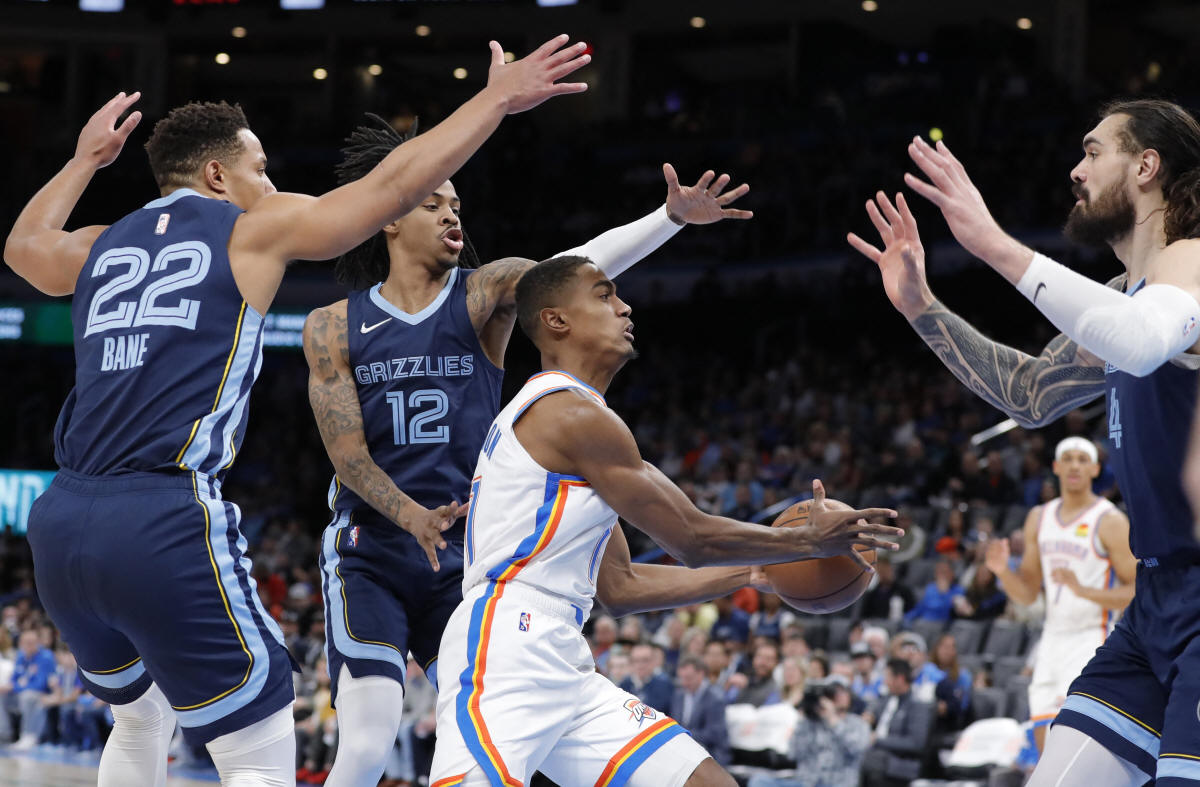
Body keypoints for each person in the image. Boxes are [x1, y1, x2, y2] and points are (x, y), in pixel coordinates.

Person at [3, 36, 592, 787]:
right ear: (217, 175)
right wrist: (495, 100)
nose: (271, 182)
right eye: (259, 168)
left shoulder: (98, 245)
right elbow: (390, 189)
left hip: (60, 521)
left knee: (139, 715)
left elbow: (23, 246)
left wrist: (85, 160)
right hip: (159, 510)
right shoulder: (251, 226)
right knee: (258, 744)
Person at [303, 113, 751, 787]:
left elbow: (573, 274)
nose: (452, 215)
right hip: (373, 548)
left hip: (467, 558)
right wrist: (410, 515)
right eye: (433, 203)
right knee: (368, 740)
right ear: (390, 216)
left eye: (458, 205)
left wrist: (670, 219)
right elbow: (348, 456)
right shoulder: (332, 325)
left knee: (509, 746)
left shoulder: (482, 293)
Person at [427, 255, 902, 787]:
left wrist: (754, 572)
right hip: (505, 645)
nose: (625, 307)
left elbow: (621, 586)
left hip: (560, 651)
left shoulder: (584, 431)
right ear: (556, 320)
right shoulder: (570, 414)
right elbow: (692, 538)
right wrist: (806, 542)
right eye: (604, 295)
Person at [848, 98, 1200, 785]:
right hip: (1157, 601)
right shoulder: (1125, 293)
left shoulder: (1191, 262)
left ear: (1147, 166)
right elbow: (1029, 393)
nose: (1076, 170)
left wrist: (989, 242)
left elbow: (1142, 340)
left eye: (1094, 152)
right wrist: (921, 306)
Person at [983, 437, 1135, 751]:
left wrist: (1083, 591)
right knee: (1043, 743)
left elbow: (1138, 591)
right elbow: (1027, 595)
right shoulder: (1038, 518)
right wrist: (1002, 571)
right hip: (1051, 639)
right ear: (1055, 466)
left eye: (1082, 459)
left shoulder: (1110, 521)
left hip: (1093, 638)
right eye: (1068, 458)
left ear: (1095, 469)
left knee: (1071, 743)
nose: (1075, 465)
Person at [861, 658, 935, 787]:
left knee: (865, 761)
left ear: (900, 679)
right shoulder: (887, 698)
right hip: (877, 755)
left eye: (887, 677)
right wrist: (869, 715)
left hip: (899, 763)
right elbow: (873, 707)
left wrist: (878, 740)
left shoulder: (917, 705)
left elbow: (915, 743)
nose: (884, 682)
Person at [669, 656, 730, 767]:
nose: (684, 683)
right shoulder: (679, 695)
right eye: (681, 678)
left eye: (688, 678)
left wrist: (683, 735)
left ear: (701, 674)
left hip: (710, 753)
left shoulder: (715, 698)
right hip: (684, 750)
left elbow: (714, 734)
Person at [620, 643, 675, 713]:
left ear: (653, 661)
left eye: (645, 660)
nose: (640, 665)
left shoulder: (665, 686)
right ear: (631, 663)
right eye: (636, 661)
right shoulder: (623, 686)